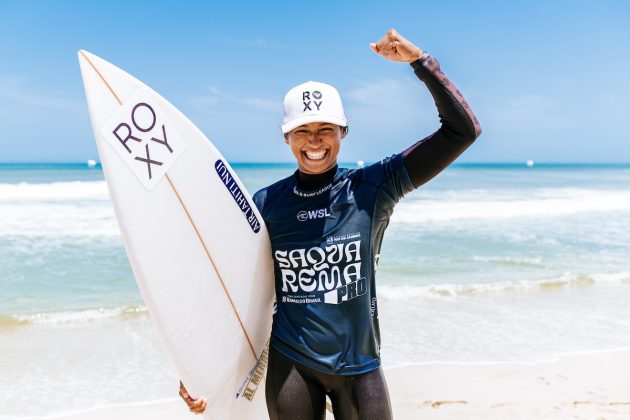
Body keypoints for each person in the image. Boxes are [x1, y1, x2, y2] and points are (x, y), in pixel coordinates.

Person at [180, 28, 481, 419]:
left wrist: (420, 62)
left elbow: (462, 130)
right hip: (291, 364)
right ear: (286, 137)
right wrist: (203, 373)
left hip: (360, 368)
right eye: (302, 131)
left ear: (343, 132)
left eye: (325, 129)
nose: (314, 140)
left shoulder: (374, 187)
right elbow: (235, 295)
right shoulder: (266, 204)